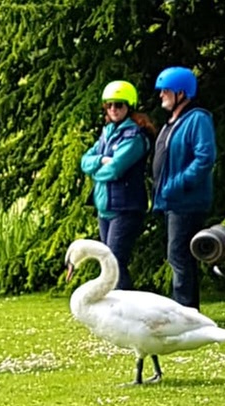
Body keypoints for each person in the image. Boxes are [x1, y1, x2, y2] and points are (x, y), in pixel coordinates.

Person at [79, 80, 156, 290]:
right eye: (109, 105)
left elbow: (115, 169)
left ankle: (124, 304)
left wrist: (96, 169)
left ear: (128, 107)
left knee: (114, 262)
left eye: (119, 105)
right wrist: (100, 160)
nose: (113, 109)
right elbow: (84, 161)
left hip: (126, 208)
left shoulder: (135, 136)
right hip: (104, 207)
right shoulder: (107, 133)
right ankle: (119, 302)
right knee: (109, 263)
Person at [152, 66, 216, 310]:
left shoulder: (197, 119)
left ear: (181, 93)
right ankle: (186, 309)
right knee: (178, 257)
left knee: (179, 256)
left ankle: (186, 310)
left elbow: (204, 158)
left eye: (166, 91)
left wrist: (175, 185)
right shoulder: (172, 123)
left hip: (186, 201)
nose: (161, 95)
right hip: (172, 201)